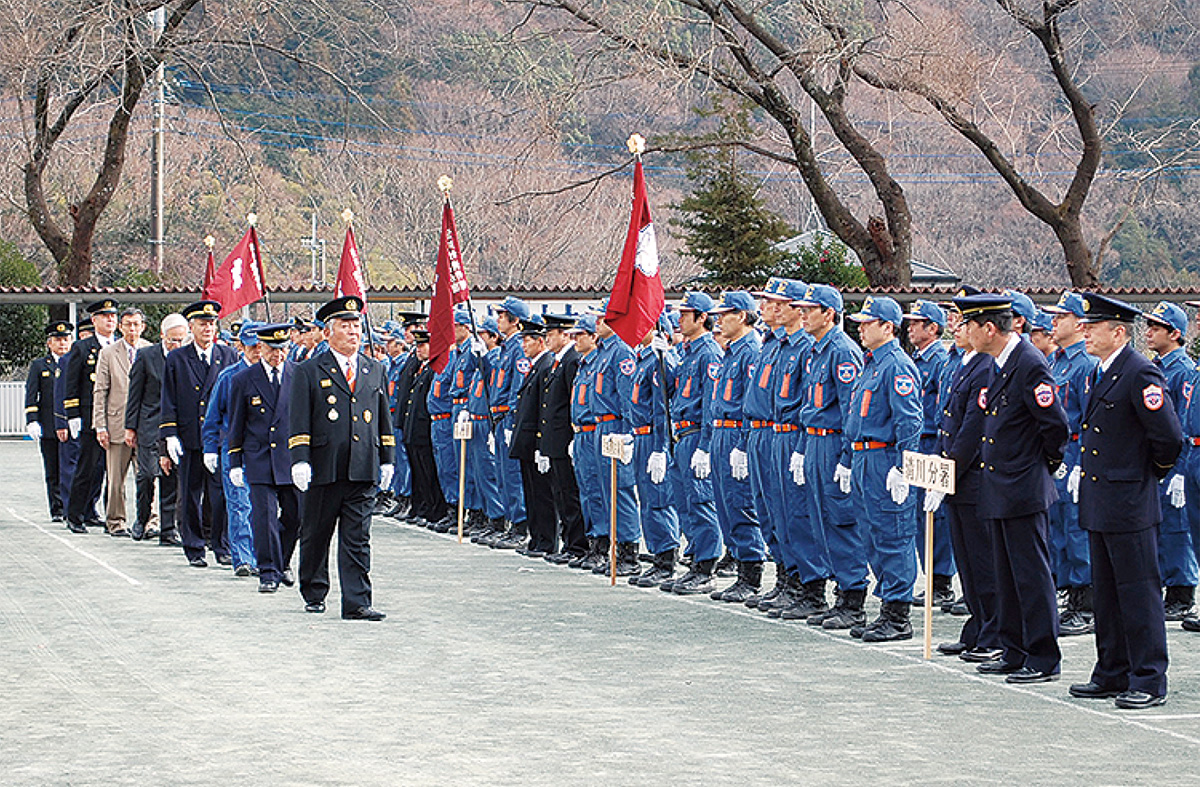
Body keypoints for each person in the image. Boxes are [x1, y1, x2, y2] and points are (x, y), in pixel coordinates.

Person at [1069, 293, 1183, 710]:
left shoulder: (1140, 373)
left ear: (1119, 332)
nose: (1085, 333)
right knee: (1108, 592)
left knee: (1138, 592)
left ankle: (1149, 678)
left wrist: (1146, 473)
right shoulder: (1102, 371)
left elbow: (1168, 437)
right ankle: (1112, 670)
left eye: (1093, 327)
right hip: (1102, 500)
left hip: (1130, 499)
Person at [956, 292, 1068, 684]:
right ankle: (1014, 648)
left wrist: (1041, 467)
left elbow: (1055, 426)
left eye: (968, 324)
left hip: (1022, 486)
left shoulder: (1028, 364)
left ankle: (1041, 655)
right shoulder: (999, 363)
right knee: (1006, 574)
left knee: (1031, 575)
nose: (963, 330)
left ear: (989, 328)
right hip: (999, 485)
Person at [288, 296, 394, 620]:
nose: (353, 332)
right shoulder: (309, 370)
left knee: (358, 538)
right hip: (323, 466)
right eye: (346, 326)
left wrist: (387, 457)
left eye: (356, 326)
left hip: (361, 465)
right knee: (316, 534)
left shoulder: (373, 368)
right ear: (328, 331)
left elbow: (382, 417)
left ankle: (357, 601)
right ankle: (314, 590)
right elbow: (299, 418)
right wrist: (299, 459)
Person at [844, 296, 923, 642]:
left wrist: (904, 466)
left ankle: (898, 613)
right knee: (872, 534)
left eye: (867, 322)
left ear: (888, 327)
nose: (860, 328)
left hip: (885, 458)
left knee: (894, 534)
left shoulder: (896, 365)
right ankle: (886, 605)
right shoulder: (871, 363)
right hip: (864, 457)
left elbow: (909, 420)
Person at [787, 284, 866, 624]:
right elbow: (809, 404)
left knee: (839, 520)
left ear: (829, 314)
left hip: (835, 443)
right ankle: (835, 593)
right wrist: (803, 450)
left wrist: (847, 458)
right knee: (818, 519)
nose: (802, 314)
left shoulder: (842, 351)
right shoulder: (815, 350)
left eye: (810, 309)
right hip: (815, 441)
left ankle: (853, 599)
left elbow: (851, 410)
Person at [930, 305, 1002, 662]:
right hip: (957, 475)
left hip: (973, 476)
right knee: (967, 560)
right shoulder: (966, 363)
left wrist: (951, 471)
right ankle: (977, 625)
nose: (957, 329)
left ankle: (994, 630)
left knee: (983, 559)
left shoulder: (986, 367)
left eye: (964, 323)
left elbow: (973, 428)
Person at [161, 300, 239, 568]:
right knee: (191, 494)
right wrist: (169, 434)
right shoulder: (177, 358)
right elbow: (168, 399)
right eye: (202, 324)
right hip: (190, 436)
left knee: (220, 495)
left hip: (219, 437)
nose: (208, 328)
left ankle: (221, 545)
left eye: (212, 323)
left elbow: (235, 397)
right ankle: (193, 546)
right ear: (190, 327)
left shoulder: (228, 355)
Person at [703, 291, 768, 598]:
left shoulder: (751, 351)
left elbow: (749, 403)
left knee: (741, 503)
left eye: (724, 314)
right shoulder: (730, 351)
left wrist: (742, 444)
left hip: (736, 433)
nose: (719, 320)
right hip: (720, 432)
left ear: (742, 316)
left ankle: (751, 573)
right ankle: (741, 566)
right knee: (726, 505)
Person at [228, 323, 301, 593]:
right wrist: (235, 461)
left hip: (291, 459)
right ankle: (268, 572)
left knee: (296, 516)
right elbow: (236, 424)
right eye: (272, 349)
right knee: (264, 518)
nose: (277, 355)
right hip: (259, 457)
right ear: (261, 348)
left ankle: (282, 560)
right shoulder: (243, 380)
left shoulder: (299, 375)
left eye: (282, 349)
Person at [1043, 291, 1100, 636]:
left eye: (1060, 317)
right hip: (1058, 456)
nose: (1053, 322)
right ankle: (1070, 595)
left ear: (1079, 323)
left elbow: (1091, 420)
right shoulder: (1057, 362)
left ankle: (1086, 603)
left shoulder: (1086, 365)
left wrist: (1080, 463)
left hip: (1077, 455)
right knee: (1060, 529)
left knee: (1078, 531)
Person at [663, 292, 724, 594]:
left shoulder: (709, 353)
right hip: (681, 434)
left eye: (686, 314)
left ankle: (707, 566)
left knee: (701, 502)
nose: (679, 319)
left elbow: (712, 402)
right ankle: (694, 558)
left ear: (702, 318)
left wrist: (706, 445)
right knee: (684, 502)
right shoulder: (688, 353)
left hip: (698, 433)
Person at [1143, 301, 1198, 621]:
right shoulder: (1160, 367)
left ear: (1175, 334)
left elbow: (1182, 425)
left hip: (1178, 462)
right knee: (1161, 527)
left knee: (1177, 529)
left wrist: (1178, 469)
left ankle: (1181, 591)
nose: (1149, 333)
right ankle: (1170, 587)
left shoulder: (1183, 371)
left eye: (1156, 328)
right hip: (1157, 463)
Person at [902, 299, 955, 609]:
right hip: (919, 442)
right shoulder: (918, 359)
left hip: (933, 440)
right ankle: (932, 576)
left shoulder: (939, 359)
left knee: (938, 516)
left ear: (933, 328)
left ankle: (942, 579)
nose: (910, 327)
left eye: (917, 322)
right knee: (921, 516)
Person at [203, 322, 262, 575]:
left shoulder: (280, 374)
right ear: (242, 347)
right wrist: (209, 447)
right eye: (252, 346)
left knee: (263, 507)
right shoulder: (229, 377)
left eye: (262, 345)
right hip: (235, 448)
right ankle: (243, 558)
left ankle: (264, 557)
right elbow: (213, 415)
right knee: (239, 504)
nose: (258, 351)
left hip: (266, 450)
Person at [626, 319, 680, 584]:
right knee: (647, 501)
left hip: (654, 437)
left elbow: (662, 408)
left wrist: (661, 448)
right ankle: (658, 553)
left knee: (659, 499)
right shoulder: (644, 360)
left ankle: (667, 559)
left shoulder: (659, 360)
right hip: (641, 436)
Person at [589, 308, 642, 576]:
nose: (597, 323)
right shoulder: (603, 351)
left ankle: (629, 552)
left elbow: (626, 397)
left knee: (620, 490)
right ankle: (614, 546)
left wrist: (628, 432)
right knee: (605, 489)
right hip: (601, 425)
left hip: (616, 425)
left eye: (602, 318)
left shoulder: (620, 351)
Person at [125, 313, 187, 544]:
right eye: (172, 340)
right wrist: (130, 427)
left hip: (176, 426)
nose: (176, 345)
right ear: (162, 336)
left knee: (171, 477)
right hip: (150, 424)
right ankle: (142, 518)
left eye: (181, 340)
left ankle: (168, 529)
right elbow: (135, 394)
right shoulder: (146, 356)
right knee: (148, 474)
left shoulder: (186, 357)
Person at [92, 307, 151, 536]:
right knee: (116, 479)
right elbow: (100, 391)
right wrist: (100, 425)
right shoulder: (108, 353)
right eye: (128, 324)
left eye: (136, 324)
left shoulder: (150, 351)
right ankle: (115, 521)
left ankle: (150, 521)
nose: (132, 329)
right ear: (120, 327)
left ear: (143, 327)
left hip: (145, 424)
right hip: (116, 423)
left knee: (148, 475)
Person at [63, 299, 120, 533]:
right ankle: (74, 514)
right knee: (88, 467)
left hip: (116, 416)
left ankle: (95, 512)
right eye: (104, 316)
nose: (110, 320)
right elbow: (72, 383)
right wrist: (73, 414)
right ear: (94, 320)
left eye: (113, 316)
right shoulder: (83, 348)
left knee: (110, 471)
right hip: (90, 417)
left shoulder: (120, 346)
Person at [540, 313, 589, 565]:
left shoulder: (571, 361)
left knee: (570, 494)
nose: (547, 338)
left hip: (566, 438)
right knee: (560, 493)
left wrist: (570, 435)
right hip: (555, 439)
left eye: (551, 334)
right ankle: (570, 542)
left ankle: (577, 545)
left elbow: (572, 401)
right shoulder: (559, 361)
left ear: (564, 334)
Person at [508, 315, 558, 556]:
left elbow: (543, 408)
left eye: (528, 340)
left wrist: (542, 444)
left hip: (537, 440)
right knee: (531, 492)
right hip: (527, 441)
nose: (524, 345)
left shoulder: (546, 365)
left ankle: (546, 541)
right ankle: (536, 538)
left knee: (542, 494)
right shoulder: (536, 366)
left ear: (540, 342)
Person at [25, 320, 73, 523]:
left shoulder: (75, 362)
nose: (62, 344)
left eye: (66, 339)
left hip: (73, 424)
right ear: (49, 343)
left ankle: (74, 506)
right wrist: (32, 420)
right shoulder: (40, 366)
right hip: (49, 425)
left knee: (73, 468)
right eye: (58, 340)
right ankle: (57, 508)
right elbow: (32, 395)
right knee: (53, 469)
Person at [402, 330, 447, 527]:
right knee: (420, 472)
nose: (419, 350)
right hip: (415, 430)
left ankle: (435, 510)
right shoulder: (422, 369)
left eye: (423, 346)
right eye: (418, 346)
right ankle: (425, 507)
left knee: (430, 472)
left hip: (425, 431)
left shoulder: (433, 370)